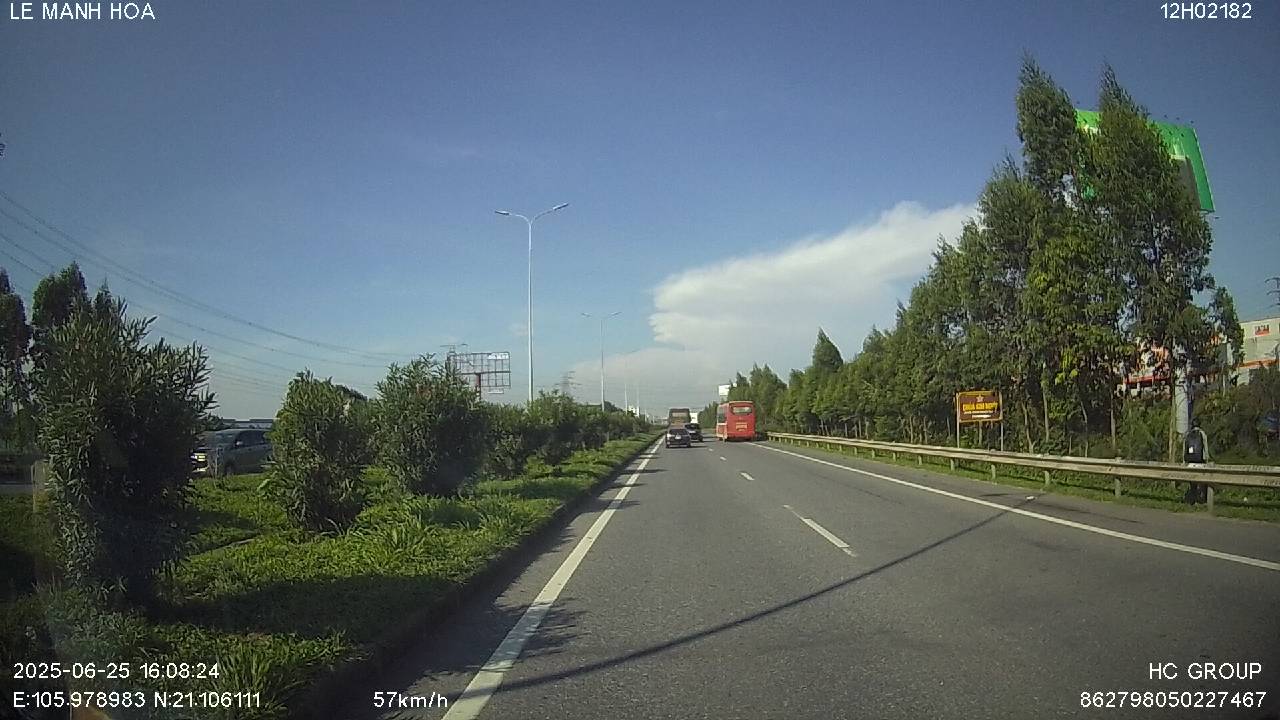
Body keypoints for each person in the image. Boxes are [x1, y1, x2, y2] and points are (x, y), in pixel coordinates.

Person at [1183, 419, 1210, 504]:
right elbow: (1205, 448)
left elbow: (1185, 448)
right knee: (1201, 480)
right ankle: (1201, 498)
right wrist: (1207, 459)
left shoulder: (1188, 434)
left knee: (1192, 480)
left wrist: (1184, 460)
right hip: (1200, 460)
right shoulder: (1202, 434)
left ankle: (1192, 498)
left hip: (1190, 460)